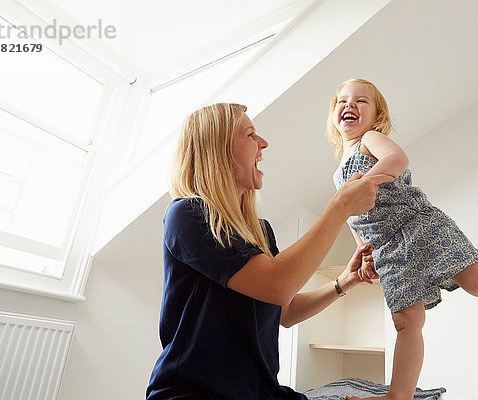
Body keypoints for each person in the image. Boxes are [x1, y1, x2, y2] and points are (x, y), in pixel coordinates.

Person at [146, 102, 394, 400]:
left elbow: (285, 311)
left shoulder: (261, 231)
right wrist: (339, 207)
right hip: (194, 392)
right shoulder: (187, 214)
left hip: (261, 391)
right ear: (217, 150)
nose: (263, 143)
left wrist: (344, 281)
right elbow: (277, 285)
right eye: (250, 134)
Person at [327, 78, 478, 400]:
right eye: (342, 101)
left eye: (361, 101)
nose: (350, 105)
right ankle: (399, 395)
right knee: (406, 321)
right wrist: (364, 252)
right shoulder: (338, 174)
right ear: (334, 115)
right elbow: (354, 216)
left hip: (419, 224)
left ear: (377, 116)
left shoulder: (370, 138)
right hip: (388, 247)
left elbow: (398, 159)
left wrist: (370, 179)